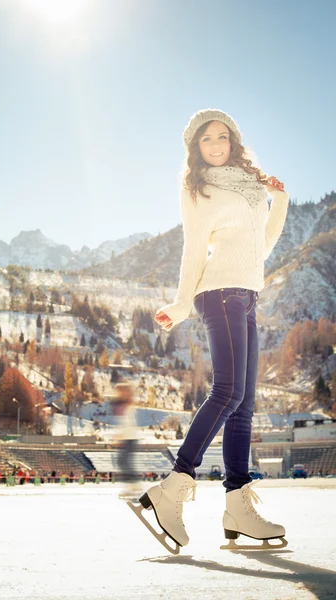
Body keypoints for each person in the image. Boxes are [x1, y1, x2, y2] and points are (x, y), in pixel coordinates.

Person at [129, 109, 289, 553]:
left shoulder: (248, 183)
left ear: (234, 140)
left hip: (247, 292)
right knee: (228, 392)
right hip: (219, 292)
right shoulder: (198, 188)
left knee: (244, 405)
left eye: (223, 136)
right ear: (195, 148)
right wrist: (182, 302)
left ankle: (237, 505)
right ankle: (172, 487)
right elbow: (194, 246)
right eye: (206, 139)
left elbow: (262, 245)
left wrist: (281, 201)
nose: (216, 144)